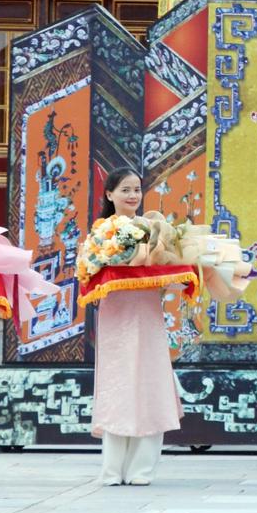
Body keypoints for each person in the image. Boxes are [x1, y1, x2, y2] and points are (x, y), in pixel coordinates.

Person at [89, 167, 183, 486]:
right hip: (116, 312)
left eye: (137, 189)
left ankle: (142, 469)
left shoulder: (153, 228)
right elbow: (88, 272)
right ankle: (112, 469)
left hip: (146, 312)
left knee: (148, 381)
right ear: (109, 194)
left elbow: (169, 268)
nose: (132, 195)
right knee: (118, 384)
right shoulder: (100, 233)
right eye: (126, 189)